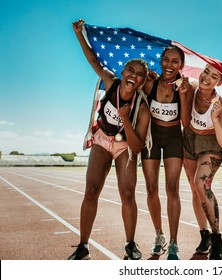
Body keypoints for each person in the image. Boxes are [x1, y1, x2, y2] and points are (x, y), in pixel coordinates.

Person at [68, 19, 151, 260]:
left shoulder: (141, 108)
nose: (133, 76)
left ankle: (130, 245)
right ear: (123, 72)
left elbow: (137, 146)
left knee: (127, 194)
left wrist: (126, 119)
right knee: (92, 190)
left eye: (139, 75)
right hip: (103, 139)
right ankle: (83, 246)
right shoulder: (110, 82)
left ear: (143, 81)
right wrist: (79, 35)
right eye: (130, 71)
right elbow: (93, 60)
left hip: (125, 146)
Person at [183, 64, 222, 260]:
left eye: (213, 76)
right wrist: (183, 93)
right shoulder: (191, 88)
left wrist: (215, 118)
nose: (207, 78)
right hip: (189, 140)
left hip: (211, 143)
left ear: (219, 82)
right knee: (194, 189)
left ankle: (217, 237)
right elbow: (185, 122)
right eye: (206, 72)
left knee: (201, 184)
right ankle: (205, 235)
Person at [141, 45, 192, 260]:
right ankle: (159, 235)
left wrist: (182, 95)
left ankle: (173, 242)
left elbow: (186, 122)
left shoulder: (186, 88)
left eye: (175, 61)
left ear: (181, 65)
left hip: (173, 138)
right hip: (151, 138)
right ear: (161, 61)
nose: (169, 65)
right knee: (152, 188)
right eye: (166, 60)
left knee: (172, 188)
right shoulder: (150, 83)